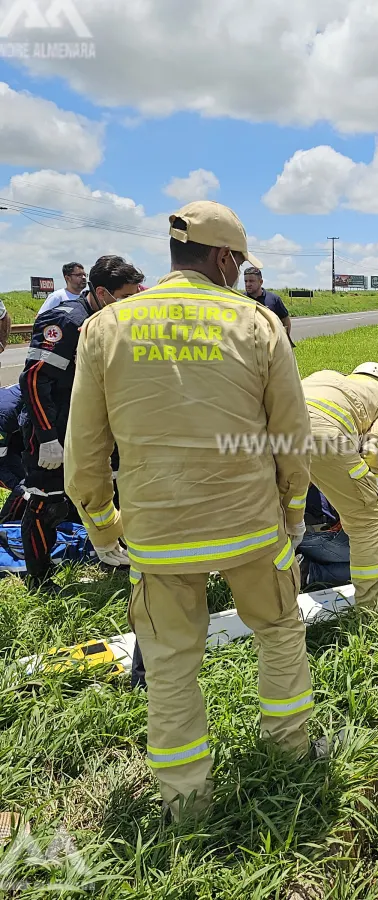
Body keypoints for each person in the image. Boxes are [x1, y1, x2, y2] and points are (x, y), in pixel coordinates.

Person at [64, 200, 316, 821]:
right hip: (252, 523)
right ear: (225, 257)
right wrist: (294, 509)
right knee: (279, 633)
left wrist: (102, 524)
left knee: (173, 665)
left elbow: (86, 449)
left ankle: (186, 806)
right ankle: (291, 754)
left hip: (158, 533)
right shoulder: (257, 324)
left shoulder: (105, 327)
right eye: (238, 262)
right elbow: (291, 433)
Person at [19, 256, 143, 590]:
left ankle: (114, 554)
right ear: (103, 293)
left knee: (110, 491)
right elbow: (33, 380)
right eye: (127, 297)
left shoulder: (115, 324)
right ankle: (40, 580)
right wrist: (46, 436)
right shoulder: (67, 322)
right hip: (55, 428)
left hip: (96, 428)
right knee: (48, 501)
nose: (132, 303)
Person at [302, 363, 378, 611]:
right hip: (324, 437)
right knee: (368, 522)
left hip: (271, 431)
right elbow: (376, 452)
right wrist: (364, 492)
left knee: (279, 516)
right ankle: (373, 612)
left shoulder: (327, 375)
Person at [0, 385, 26, 522]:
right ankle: (6, 522)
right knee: (23, 484)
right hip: (7, 430)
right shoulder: (5, 415)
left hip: (14, 435)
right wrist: (20, 489)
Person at [244, 267, 292, 341]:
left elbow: (285, 319)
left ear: (261, 282)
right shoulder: (241, 299)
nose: (248, 284)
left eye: (251, 281)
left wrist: (285, 339)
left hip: (270, 344)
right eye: (246, 281)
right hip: (248, 344)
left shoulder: (274, 299)